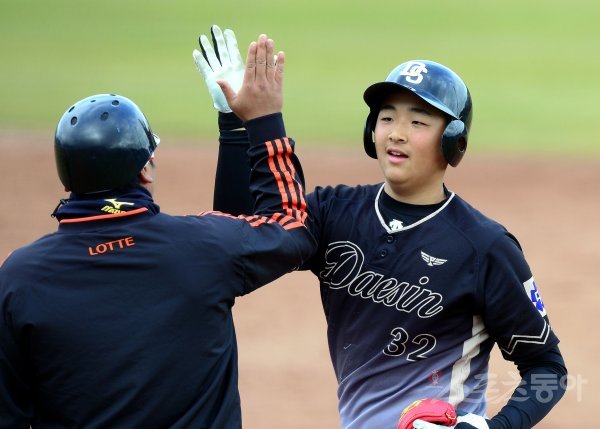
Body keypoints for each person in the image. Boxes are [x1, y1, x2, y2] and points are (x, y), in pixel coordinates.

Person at [194, 26, 568, 429]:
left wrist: (497, 428)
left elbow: (548, 369)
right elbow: (240, 241)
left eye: (418, 122)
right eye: (387, 118)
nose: (397, 133)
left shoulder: (484, 247)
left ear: (452, 141)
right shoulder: (334, 212)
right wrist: (236, 124)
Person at [0, 33, 315, 428]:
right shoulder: (203, 249)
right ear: (145, 169)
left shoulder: (18, 280)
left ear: (67, 179)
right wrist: (255, 123)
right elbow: (289, 226)